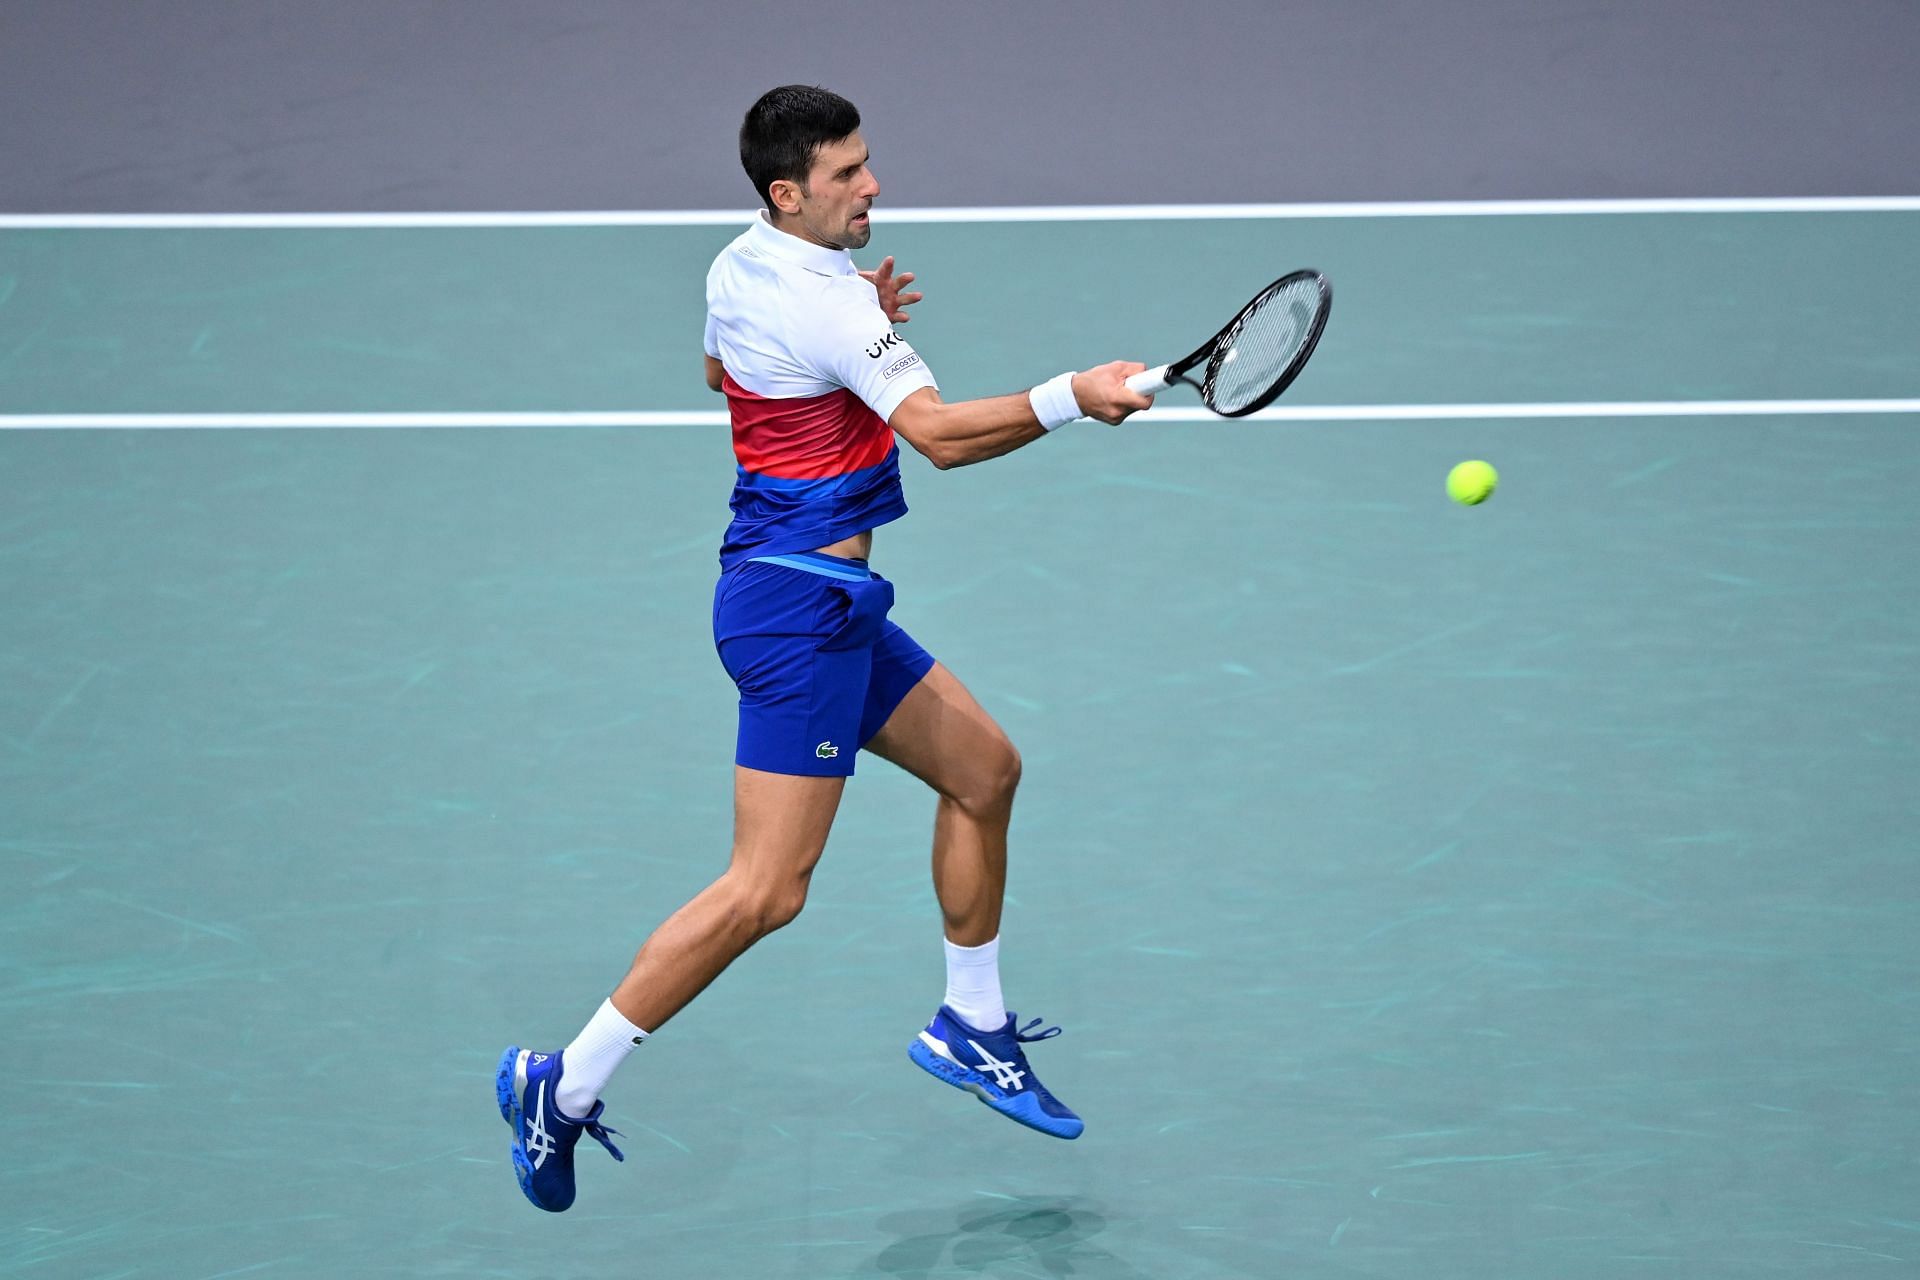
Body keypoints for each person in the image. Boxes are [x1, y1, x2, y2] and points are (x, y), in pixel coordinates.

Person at [497, 84, 1152, 1212]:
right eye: (848, 175)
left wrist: (852, 329)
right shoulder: (832, 304)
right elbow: (939, 437)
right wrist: (1073, 398)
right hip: (798, 617)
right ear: (788, 192)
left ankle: (972, 1021)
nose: (874, 186)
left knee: (985, 771)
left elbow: (726, 375)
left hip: (812, 599)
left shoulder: (737, 264)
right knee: (766, 890)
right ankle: (563, 1083)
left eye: (868, 164)